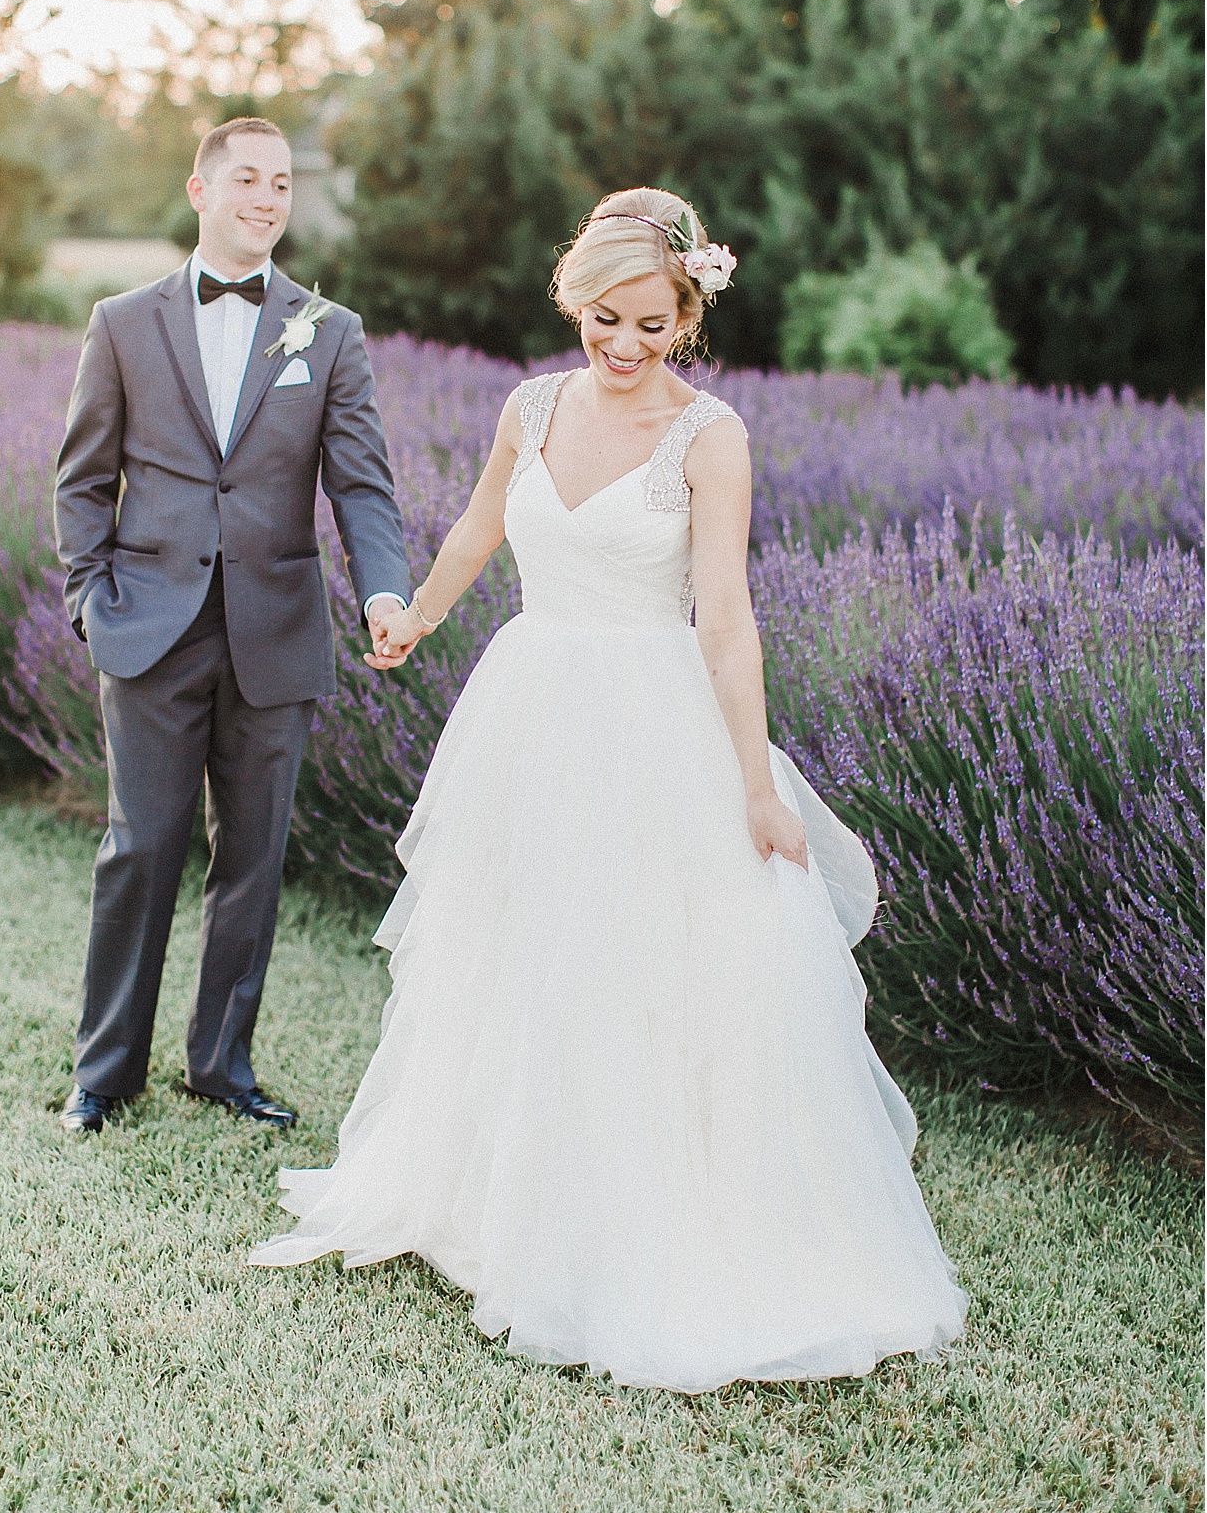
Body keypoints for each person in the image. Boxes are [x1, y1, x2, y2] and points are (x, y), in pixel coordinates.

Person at [249, 185, 967, 1392]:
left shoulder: (711, 435)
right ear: (572, 302)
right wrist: (415, 617)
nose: (626, 346)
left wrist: (755, 786)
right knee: (517, 950)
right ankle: (504, 1199)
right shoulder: (528, 409)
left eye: (653, 323)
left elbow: (726, 621)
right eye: (603, 319)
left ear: (689, 312)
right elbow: (482, 526)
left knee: (642, 969)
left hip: (653, 724)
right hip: (530, 706)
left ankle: (634, 1218)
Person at [53, 118, 411, 1136]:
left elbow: (363, 485)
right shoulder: (121, 322)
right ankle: (105, 1072)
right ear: (200, 189)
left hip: (276, 632)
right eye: (246, 178)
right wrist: (89, 595)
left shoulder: (327, 330)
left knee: (252, 860)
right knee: (141, 847)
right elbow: (82, 478)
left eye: (282, 182)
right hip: (148, 629)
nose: (266, 196)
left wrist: (383, 589)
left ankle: (222, 1063)